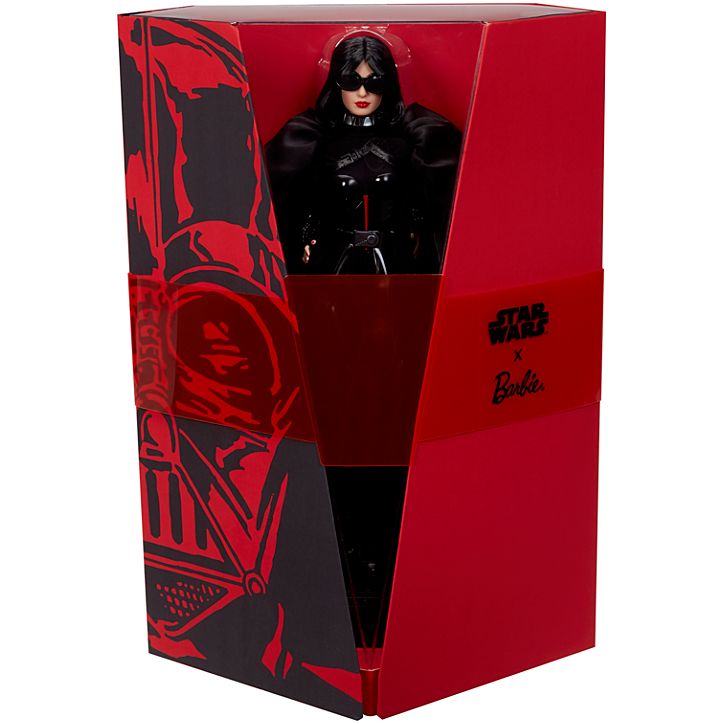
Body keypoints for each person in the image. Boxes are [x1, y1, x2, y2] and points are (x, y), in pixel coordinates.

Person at [265, 34, 461, 275]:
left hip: (394, 259)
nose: (362, 93)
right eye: (351, 80)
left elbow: (421, 197)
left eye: (374, 82)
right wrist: (306, 236)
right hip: (333, 258)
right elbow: (303, 199)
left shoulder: (410, 137)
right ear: (336, 81)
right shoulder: (314, 139)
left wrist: (416, 229)